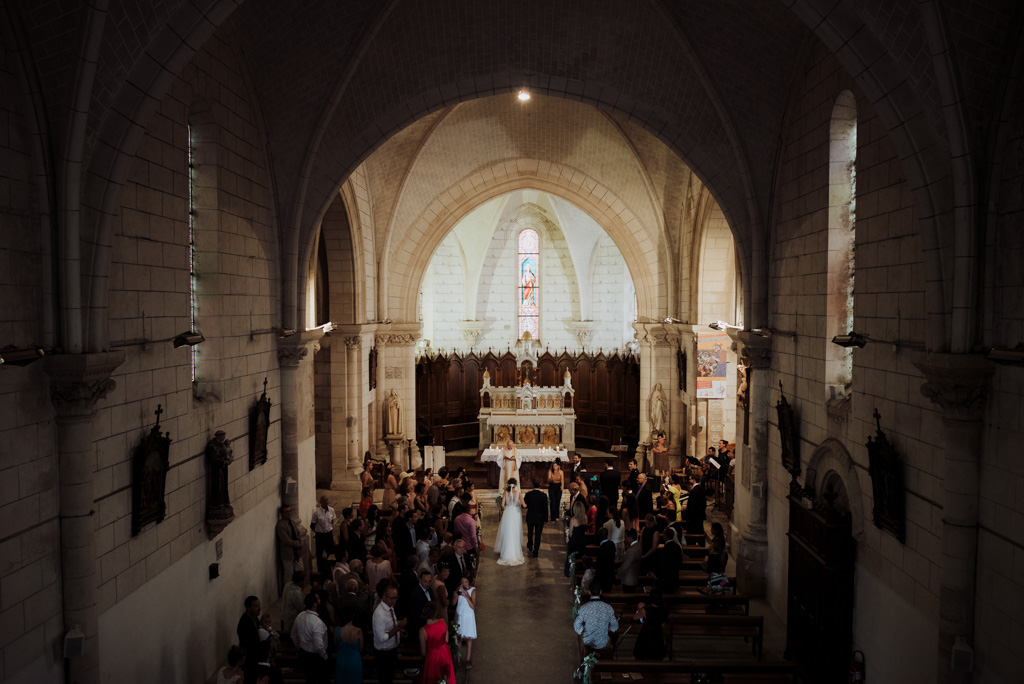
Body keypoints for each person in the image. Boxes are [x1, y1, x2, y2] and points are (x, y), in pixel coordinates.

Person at [372, 583, 405, 684]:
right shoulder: (379, 614)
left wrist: (400, 631)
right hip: (384, 655)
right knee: (385, 679)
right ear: (384, 596)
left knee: (390, 678)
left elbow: (390, 625)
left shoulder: (390, 606)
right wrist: (398, 628)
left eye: (396, 597)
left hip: (392, 650)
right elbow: (382, 637)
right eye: (392, 598)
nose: (394, 601)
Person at [292, 592, 329, 683]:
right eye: (318, 600)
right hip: (315, 657)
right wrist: (325, 656)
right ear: (314, 604)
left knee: (309, 678)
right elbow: (319, 645)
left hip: (303, 653)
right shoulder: (317, 622)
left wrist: (300, 647)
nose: (319, 601)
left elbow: (293, 635)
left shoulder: (300, 616)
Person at [573, 582, 619, 653]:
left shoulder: (584, 608)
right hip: (603, 643)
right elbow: (615, 626)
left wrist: (583, 630)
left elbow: (576, 625)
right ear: (600, 592)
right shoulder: (608, 608)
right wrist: (608, 628)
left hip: (588, 642)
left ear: (589, 592)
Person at [417, 601, 456, 684]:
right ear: (435, 612)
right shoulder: (442, 621)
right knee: (446, 677)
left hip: (432, 658)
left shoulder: (423, 631)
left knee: (433, 679)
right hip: (444, 653)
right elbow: (446, 640)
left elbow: (423, 653)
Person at [493, 478, 526, 566]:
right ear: (516, 485)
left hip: (508, 513)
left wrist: (508, 508)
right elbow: (524, 505)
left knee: (508, 531)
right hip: (516, 513)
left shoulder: (505, 493)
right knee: (515, 531)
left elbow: (503, 505)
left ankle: (506, 554)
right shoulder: (518, 493)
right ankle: (515, 553)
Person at [632, 589, 667, 661]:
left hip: (646, 634)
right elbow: (663, 624)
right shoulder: (664, 609)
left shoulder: (645, 610)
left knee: (642, 655)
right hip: (658, 634)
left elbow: (635, 617)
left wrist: (640, 609)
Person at [276, 505, 303, 595]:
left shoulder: (291, 522)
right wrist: (298, 544)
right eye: (286, 512)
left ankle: (298, 590)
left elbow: (297, 533)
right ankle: (287, 593)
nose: (289, 513)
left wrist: (299, 543)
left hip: (296, 552)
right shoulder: (281, 525)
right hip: (287, 554)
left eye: (289, 511)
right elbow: (286, 540)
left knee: (300, 570)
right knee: (289, 574)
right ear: (282, 513)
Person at [334, 606, 364, 684]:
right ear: (353, 615)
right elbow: (361, 647)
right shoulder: (358, 631)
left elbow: (336, 644)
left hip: (341, 659)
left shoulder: (337, 630)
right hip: (355, 659)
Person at [454, 573, 477, 669]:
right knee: (458, 637)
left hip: (468, 617)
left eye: (466, 582)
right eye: (462, 582)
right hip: (459, 615)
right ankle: (458, 658)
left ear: (469, 581)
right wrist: (455, 596)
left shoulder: (473, 590)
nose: (464, 584)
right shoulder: (459, 587)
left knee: (469, 638)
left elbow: (473, 607)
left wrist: (467, 596)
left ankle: (468, 659)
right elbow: (453, 603)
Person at [311, 495, 336, 579]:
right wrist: (318, 531)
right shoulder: (317, 513)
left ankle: (332, 570)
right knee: (319, 554)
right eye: (324, 501)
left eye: (327, 500)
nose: (326, 502)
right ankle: (320, 573)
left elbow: (332, 520)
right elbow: (312, 525)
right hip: (320, 535)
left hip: (329, 534)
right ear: (320, 502)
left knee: (331, 552)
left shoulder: (331, 510)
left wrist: (329, 529)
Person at [237, 595, 262, 683]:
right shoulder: (244, 624)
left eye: (259, 605)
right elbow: (249, 645)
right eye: (256, 606)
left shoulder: (254, 617)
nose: (259, 608)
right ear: (248, 608)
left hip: (256, 658)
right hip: (250, 661)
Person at [523, 479, 548, 558]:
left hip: (530, 516)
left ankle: (530, 545)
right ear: (540, 484)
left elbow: (524, 506)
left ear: (533, 485)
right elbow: (545, 509)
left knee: (530, 532)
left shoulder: (528, 494)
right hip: (540, 518)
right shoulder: (543, 495)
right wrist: (546, 519)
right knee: (538, 535)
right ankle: (536, 551)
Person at [565, 498, 588, 578]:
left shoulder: (573, 520)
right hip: (582, 542)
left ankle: (571, 576)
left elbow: (570, 534)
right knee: (580, 560)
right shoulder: (585, 518)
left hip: (574, 543)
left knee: (571, 561)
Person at [618, 528, 641, 593]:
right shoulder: (638, 546)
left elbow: (626, 565)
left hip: (629, 580)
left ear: (630, 538)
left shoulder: (632, 551)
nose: (625, 539)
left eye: (626, 537)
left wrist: (618, 571)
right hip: (633, 578)